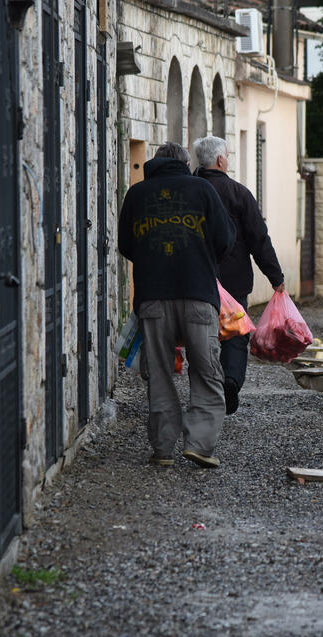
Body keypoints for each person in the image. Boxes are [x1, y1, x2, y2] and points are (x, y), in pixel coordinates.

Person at [118, 142, 234, 468]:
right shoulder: (202, 190)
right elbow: (225, 239)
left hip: (152, 297)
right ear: (185, 163)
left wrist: (152, 256)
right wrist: (201, 256)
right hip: (198, 293)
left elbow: (126, 245)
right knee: (207, 370)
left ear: (154, 163)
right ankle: (200, 445)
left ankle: (163, 449)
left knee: (159, 372)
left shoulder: (137, 195)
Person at [193, 135, 285, 415]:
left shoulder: (190, 190)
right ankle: (231, 380)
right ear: (221, 160)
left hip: (196, 280)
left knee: (200, 335)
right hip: (233, 282)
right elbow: (259, 238)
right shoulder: (238, 193)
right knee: (235, 334)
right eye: (228, 156)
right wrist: (275, 277)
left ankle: (206, 389)